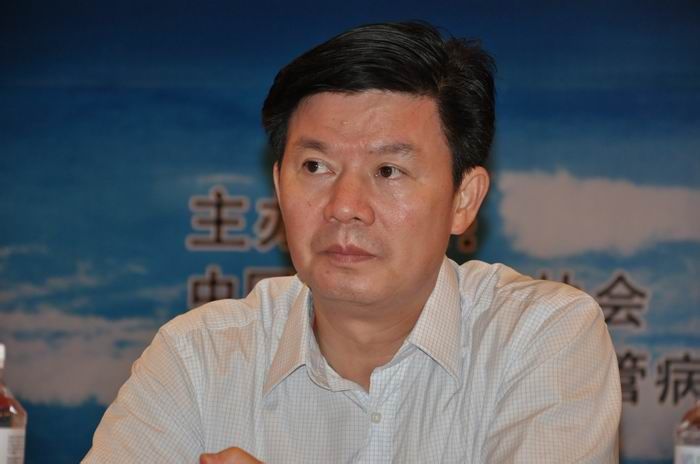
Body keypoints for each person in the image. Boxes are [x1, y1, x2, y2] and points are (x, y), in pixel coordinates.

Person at [83, 21, 621, 463]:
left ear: (464, 198)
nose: (344, 206)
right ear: (278, 187)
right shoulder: (199, 356)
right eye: (315, 166)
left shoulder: (541, 336)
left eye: (388, 170)